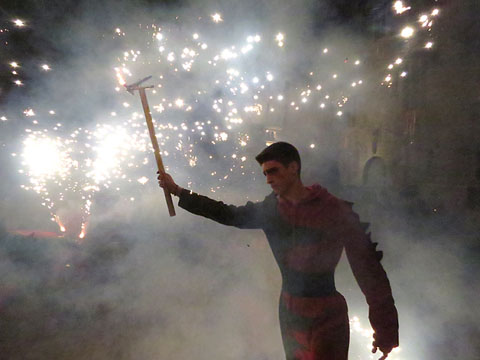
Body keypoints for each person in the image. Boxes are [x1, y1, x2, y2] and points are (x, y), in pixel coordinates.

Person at [158, 142, 399, 360]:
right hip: (291, 311)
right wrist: (179, 191)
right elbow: (228, 214)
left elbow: (369, 270)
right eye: (265, 173)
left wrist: (385, 330)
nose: (268, 179)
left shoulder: (334, 210)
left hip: (327, 314)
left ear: (293, 168)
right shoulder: (271, 210)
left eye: (273, 171)